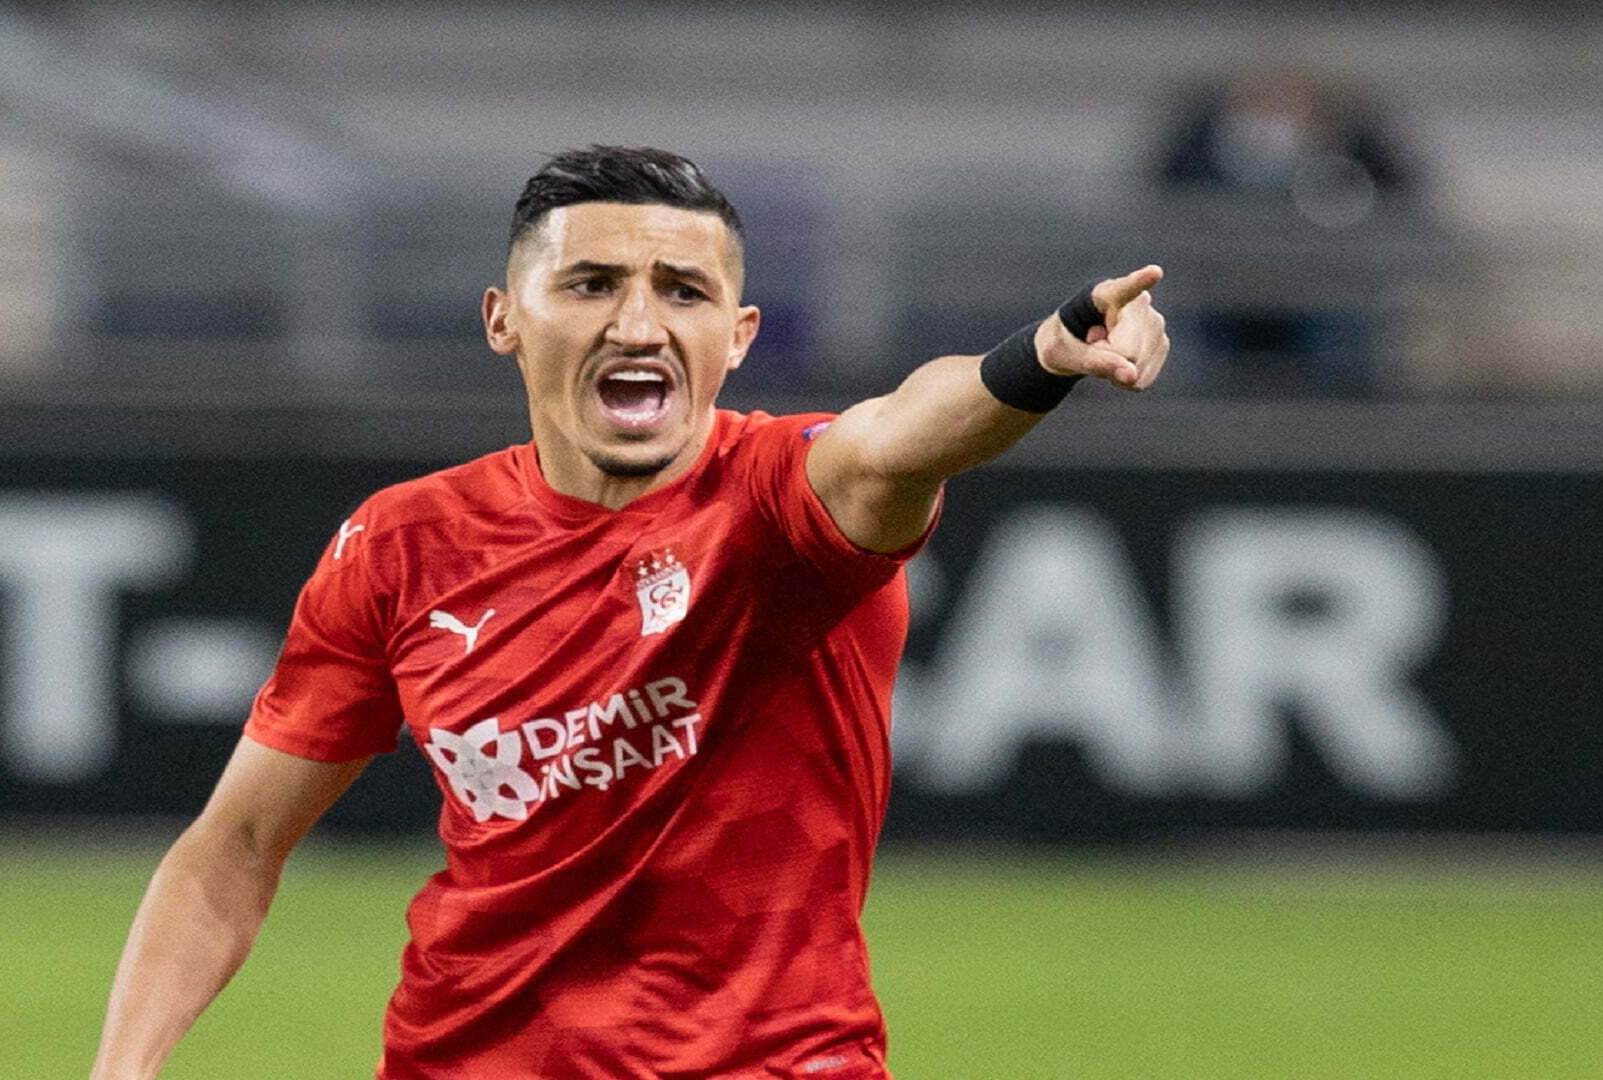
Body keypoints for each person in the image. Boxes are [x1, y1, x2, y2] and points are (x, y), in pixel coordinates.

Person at [89, 145, 1169, 1080]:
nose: (640, 322)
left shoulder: (782, 503)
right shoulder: (401, 545)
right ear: (505, 321)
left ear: (740, 335)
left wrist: (1039, 359)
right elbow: (232, 848)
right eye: (593, 283)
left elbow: (900, 435)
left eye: (683, 292)